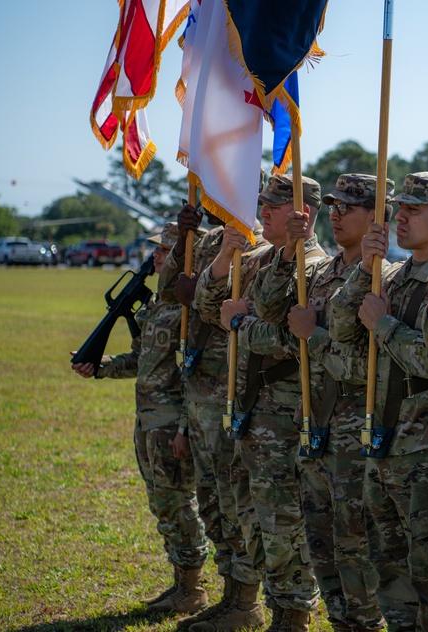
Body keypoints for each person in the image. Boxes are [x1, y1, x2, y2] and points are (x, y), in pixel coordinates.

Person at [329, 171, 428, 631]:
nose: (401, 218)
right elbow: (338, 325)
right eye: (400, 209)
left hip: (427, 444)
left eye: (414, 210)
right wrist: (365, 266)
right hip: (382, 437)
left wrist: (384, 327)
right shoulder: (387, 275)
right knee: (387, 565)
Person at [253, 173, 393, 632]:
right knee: (322, 546)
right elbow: (268, 308)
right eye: (332, 206)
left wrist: (314, 337)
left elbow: (369, 368)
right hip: (315, 426)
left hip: (356, 434)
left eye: (347, 207)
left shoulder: (380, 279)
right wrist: (289, 251)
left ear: (377, 216)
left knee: (355, 548)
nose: (334, 214)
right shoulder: (322, 270)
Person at [193, 174, 329, 632]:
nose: (263, 212)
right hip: (250, 411)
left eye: (272, 205)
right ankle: (245, 602)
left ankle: (291, 617)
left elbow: (296, 340)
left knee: (282, 525)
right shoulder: (258, 260)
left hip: (287, 416)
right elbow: (208, 306)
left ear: (302, 214)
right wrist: (227, 254)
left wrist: (242, 325)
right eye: (262, 204)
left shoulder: (315, 268)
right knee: (245, 515)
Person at [71, 223, 211, 615]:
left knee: (178, 505)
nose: (157, 257)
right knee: (162, 505)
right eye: (158, 251)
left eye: (166, 251)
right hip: (147, 419)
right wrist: (101, 367)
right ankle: (180, 583)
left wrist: (185, 428)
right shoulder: (157, 306)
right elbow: (142, 361)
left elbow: (196, 375)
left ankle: (193, 588)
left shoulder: (191, 306)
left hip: (171, 426)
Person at [161, 205, 269, 631]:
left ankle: (246, 601)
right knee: (212, 501)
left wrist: (203, 291)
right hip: (199, 393)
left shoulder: (256, 248)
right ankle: (229, 595)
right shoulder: (208, 242)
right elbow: (170, 290)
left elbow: (225, 309)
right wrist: (181, 246)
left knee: (237, 503)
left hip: (233, 392)